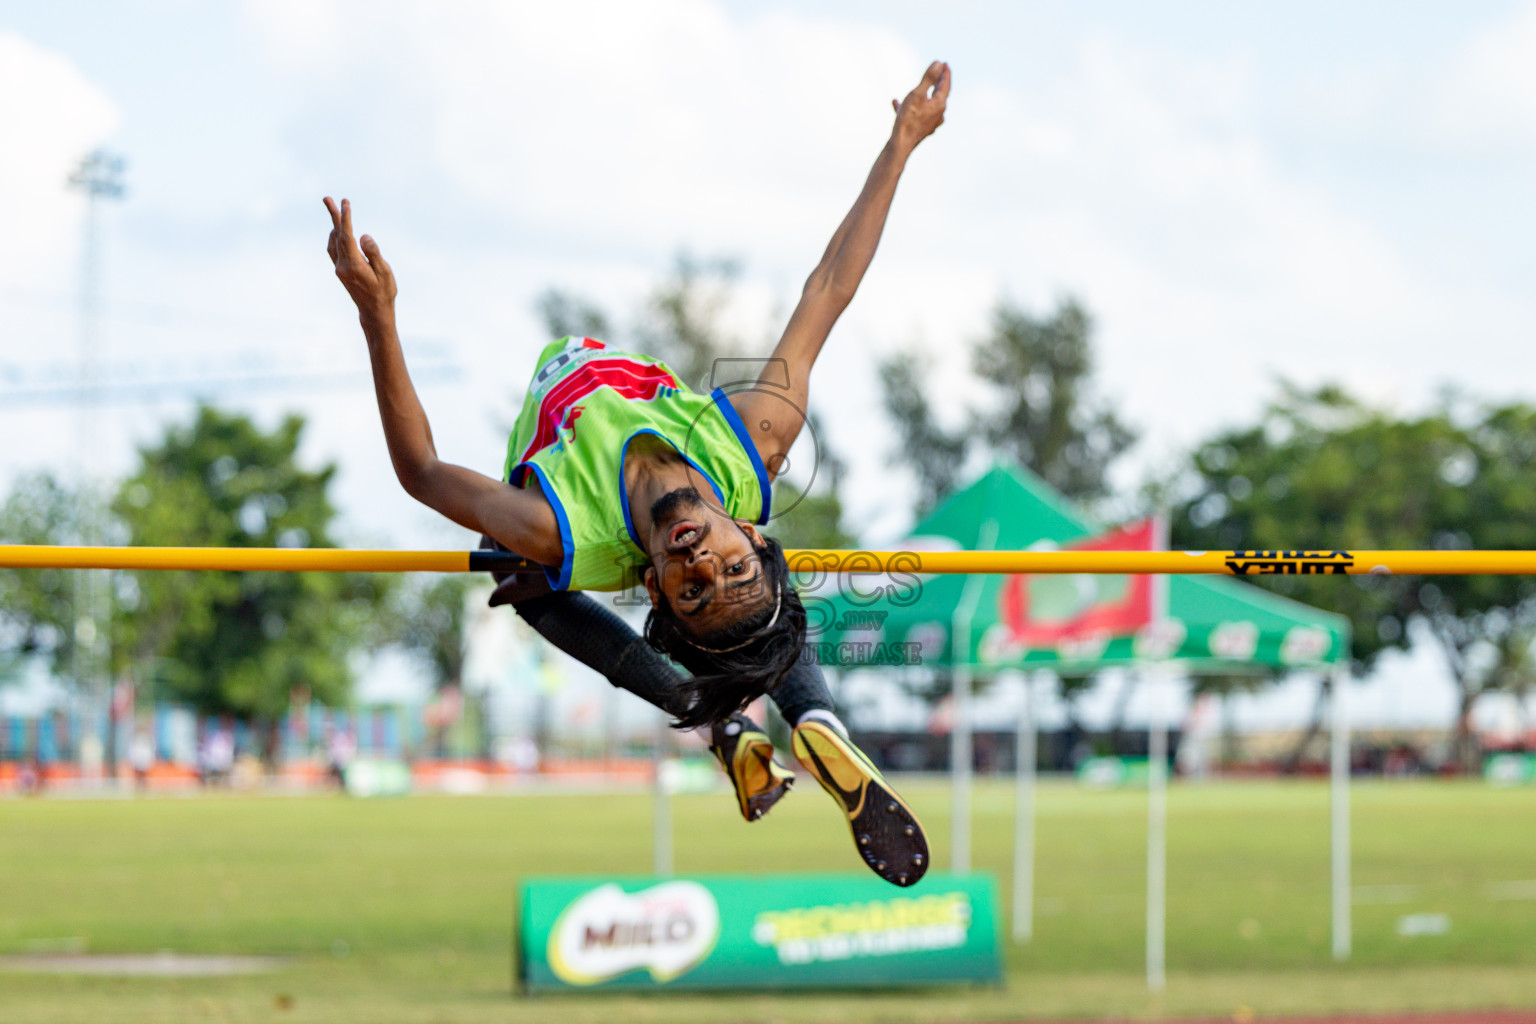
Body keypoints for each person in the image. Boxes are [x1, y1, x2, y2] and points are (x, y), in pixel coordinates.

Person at [325, 62, 951, 886]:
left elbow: (423, 471)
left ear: (654, 587)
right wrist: (900, 142)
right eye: (727, 562)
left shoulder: (560, 526)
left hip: (567, 531)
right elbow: (830, 288)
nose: (700, 561)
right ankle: (798, 714)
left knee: (525, 572)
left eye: (691, 585)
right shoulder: (750, 444)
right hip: (665, 476)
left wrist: (379, 320)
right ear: (751, 529)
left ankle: (720, 720)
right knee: (735, 612)